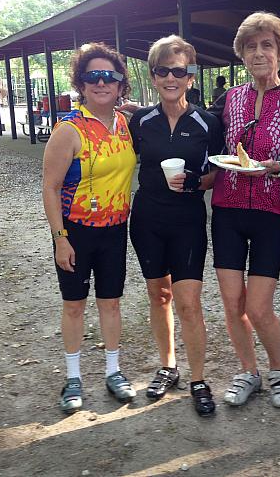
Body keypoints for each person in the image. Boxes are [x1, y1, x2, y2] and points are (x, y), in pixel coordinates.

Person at [208, 12, 280, 409]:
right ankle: (248, 371)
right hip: (228, 210)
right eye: (251, 46)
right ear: (242, 54)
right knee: (233, 302)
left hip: (271, 211)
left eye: (267, 45)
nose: (259, 52)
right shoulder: (230, 98)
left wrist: (278, 168)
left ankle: (279, 369)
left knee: (258, 305)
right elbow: (209, 147)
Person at [128, 35, 223, 417]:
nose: (171, 77)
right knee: (159, 296)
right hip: (147, 218)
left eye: (179, 71)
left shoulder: (207, 122)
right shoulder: (141, 121)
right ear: (153, 76)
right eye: (163, 70)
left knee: (188, 302)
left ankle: (198, 379)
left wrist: (200, 183)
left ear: (191, 77)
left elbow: (219, 169)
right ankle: (168, 367)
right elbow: (121, 159)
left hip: (187, 220)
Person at [42, 43, 138, 414]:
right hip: (77, 232)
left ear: (119, 85)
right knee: (74, 306)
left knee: (111, 302)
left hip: (115, 230)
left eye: (109, 77)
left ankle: (114, 371)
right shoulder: (69, 129)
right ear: (81, 84)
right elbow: (49, 187)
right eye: (92, 77)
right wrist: (60, 239)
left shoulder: (126, 124)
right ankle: (73, 378)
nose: (101, 83)